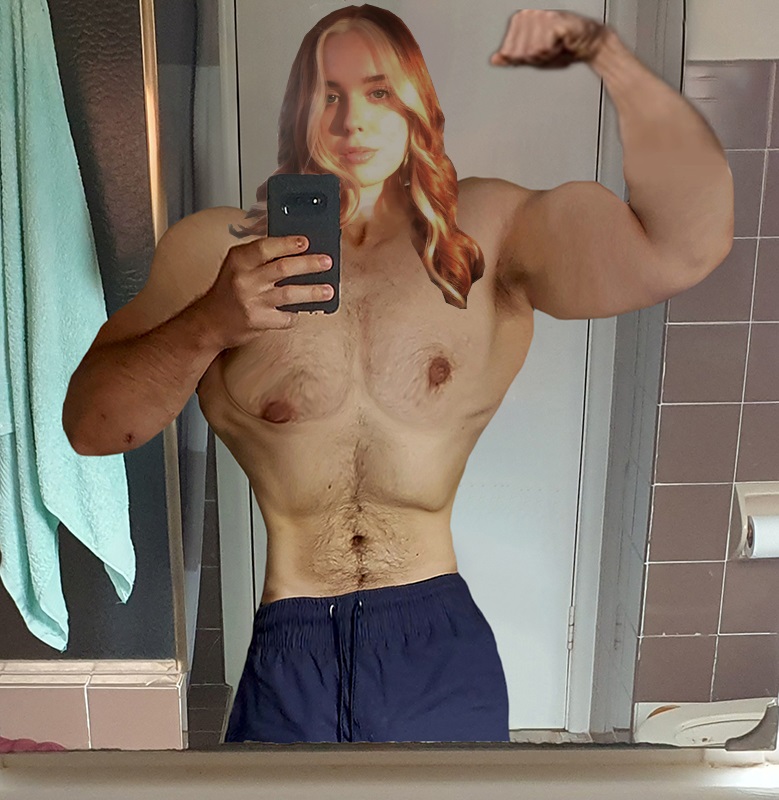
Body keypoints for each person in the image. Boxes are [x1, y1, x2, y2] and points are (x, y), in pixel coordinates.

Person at [63, 5, 734, 743]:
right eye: (329, 93)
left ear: (416, 104)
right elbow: (93, 427)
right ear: (299, 109)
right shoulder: (213, 254)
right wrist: (210, 322)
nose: (352, 119)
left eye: (378, 91)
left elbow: (683, 247)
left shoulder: (488, 234)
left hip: (433, 637)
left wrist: (611, 59)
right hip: (290, 648)